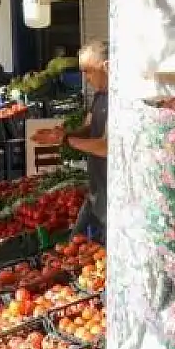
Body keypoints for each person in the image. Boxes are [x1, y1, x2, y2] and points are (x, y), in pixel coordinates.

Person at [64, 40, 109, 243]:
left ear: (106, 66)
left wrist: (68, 141)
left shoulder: (121, 101)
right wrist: (64, 134)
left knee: (104, 252)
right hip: (96, 188)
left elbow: (107, 146)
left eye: (88, 71)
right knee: (74, 243)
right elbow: (89, 128)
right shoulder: (99, 96)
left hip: (113, 193)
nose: (85, 78)